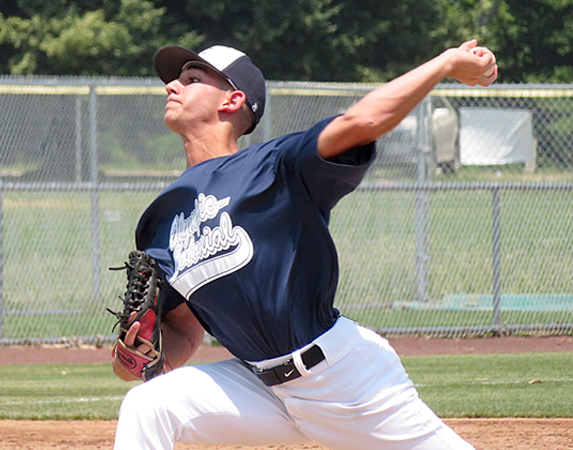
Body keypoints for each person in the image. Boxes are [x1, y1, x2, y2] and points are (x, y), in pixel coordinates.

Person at [112, 40, 497, 450]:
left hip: (343, 381)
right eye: (175, 79)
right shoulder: (164, 218)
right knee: (148, 404)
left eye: (191, 79)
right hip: (261, 388)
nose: (173, 86)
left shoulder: (276, 167)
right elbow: (183, 333)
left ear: (233, 99)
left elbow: (362, 121)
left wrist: (445, 63)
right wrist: (134, 355)